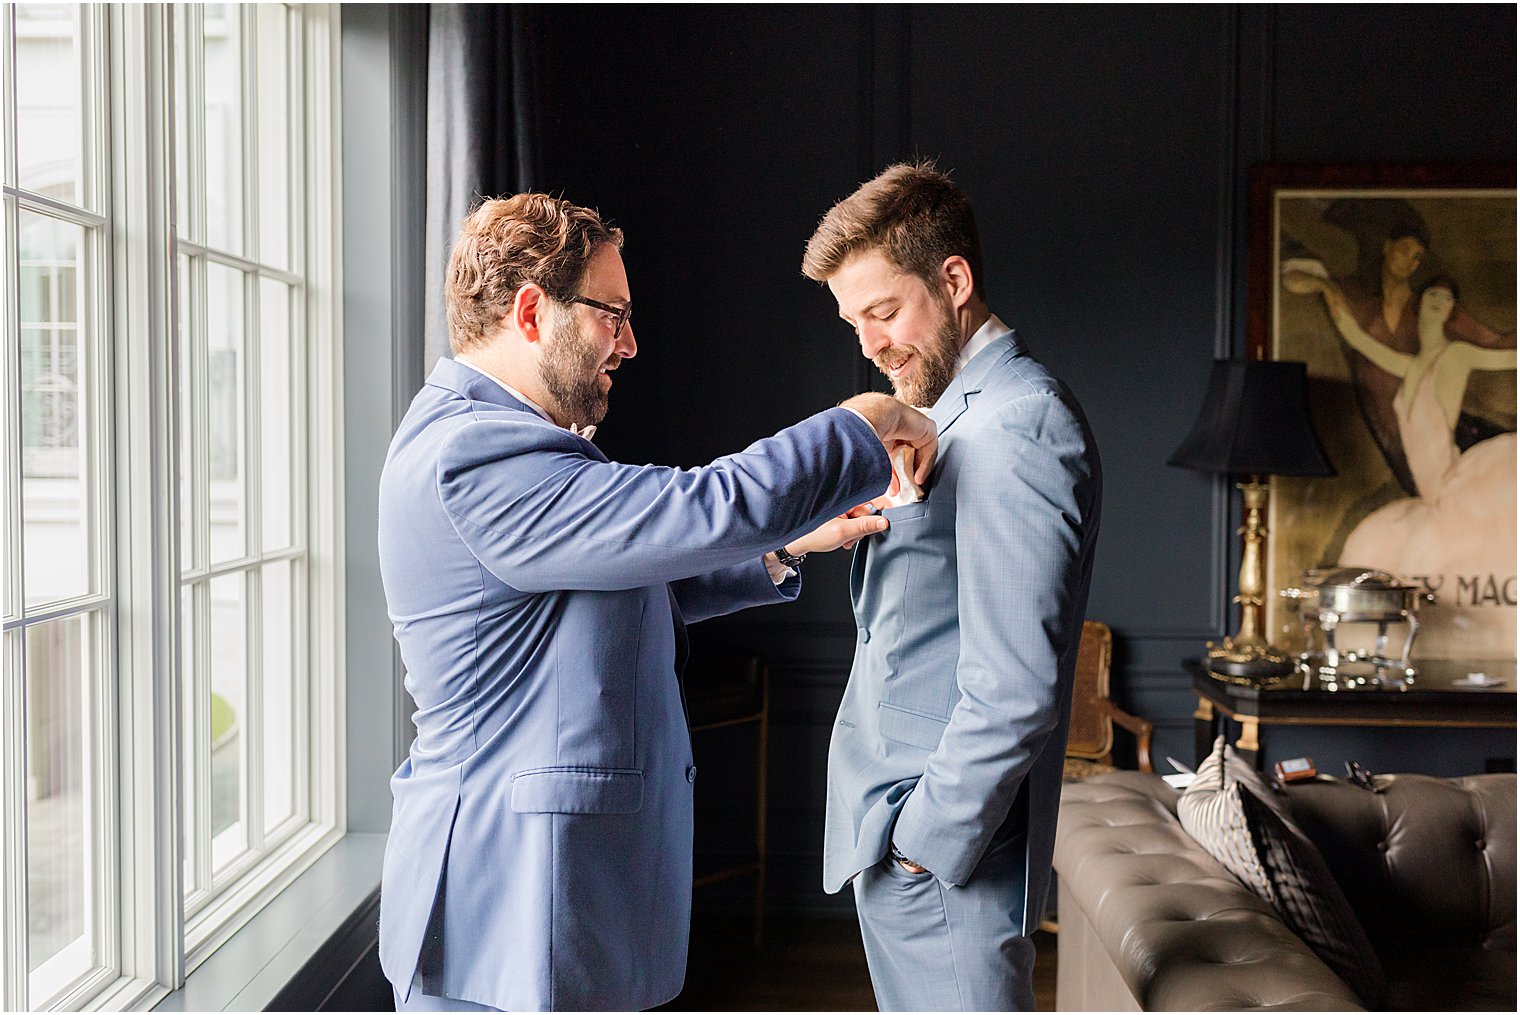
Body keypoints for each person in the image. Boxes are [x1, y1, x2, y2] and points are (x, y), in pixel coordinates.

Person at [376, 193, 938, 1012]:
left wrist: (784, 545)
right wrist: (865, 418)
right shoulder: (474, 452)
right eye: (613, 315)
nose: (630, 344)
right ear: (532, 311)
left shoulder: (496, 437)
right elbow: (699, 508)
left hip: (544, 902)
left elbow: (607, 595)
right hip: (507, 909)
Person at [799, 162, 1102, 1011]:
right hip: (905, 837)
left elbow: (1015, 685)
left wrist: (924, 841)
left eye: (884, 312)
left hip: (942, 854)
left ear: (955, 280)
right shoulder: (953, 411)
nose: (870, 343)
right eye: (853, 321)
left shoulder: (1020, 423)